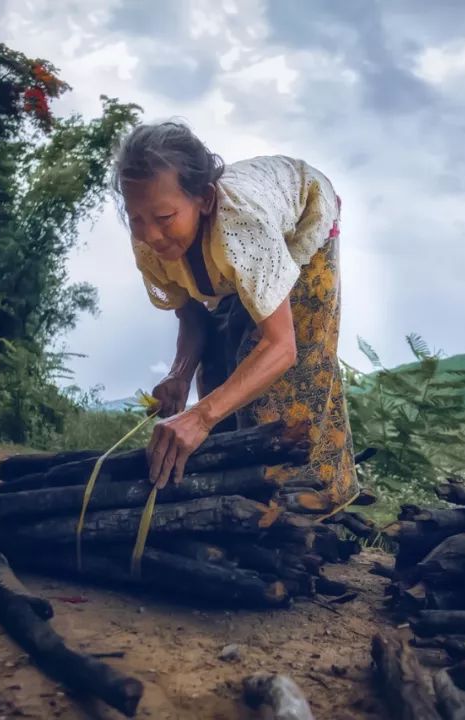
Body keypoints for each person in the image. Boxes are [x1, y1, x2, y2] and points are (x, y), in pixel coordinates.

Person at [113, 121, 356, 507]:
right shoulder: (149, 240)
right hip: (240, 254)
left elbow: (281, 347)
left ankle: (314, 503)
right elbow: (192, 316)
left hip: (303, 220)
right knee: (220, 372)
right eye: (136, 218)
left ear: (205, 200)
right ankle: (233, 500)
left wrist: (199, 417)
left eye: (163, 219)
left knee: (280, 375)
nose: (150, 234)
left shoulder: (242, 226)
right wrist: (179, 376)